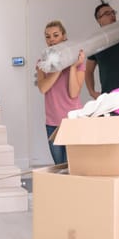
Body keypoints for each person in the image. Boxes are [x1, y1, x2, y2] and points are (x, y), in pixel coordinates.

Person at [37, 20, 85, 165]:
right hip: (52, 123)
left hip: (73, 120)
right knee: (59, 166)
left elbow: (74, 93)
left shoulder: (79, 60)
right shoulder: (42, 62)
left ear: (64, 36)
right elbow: (43, 88)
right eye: (47, 36)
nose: (51, 40)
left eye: (55, 35)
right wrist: (58, 66)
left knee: (73, 166)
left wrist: (72, 66)